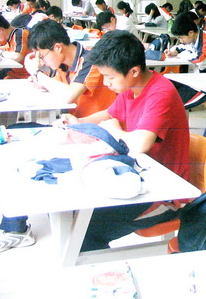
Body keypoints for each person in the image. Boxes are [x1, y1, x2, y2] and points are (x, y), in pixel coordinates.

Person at [0, 20, 114, 253]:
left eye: (42, 55)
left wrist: (38, 73)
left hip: (96, 134)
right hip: (75, 127)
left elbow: (69, 95)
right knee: (14, 134)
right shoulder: (64, 63)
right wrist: (41, 82)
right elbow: (62, 89)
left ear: (58, 47)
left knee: (18, 146)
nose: (42, 61)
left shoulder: (90, 62)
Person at [63, 30, 190, 251]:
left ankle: (103, 270)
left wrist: (116, 132)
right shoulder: (131, 88)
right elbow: (109, 114)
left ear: (134, 71)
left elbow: (140, 144)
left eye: (110, 77)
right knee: (74, 212)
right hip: (141, 176)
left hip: (167, 194)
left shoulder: (160, 92)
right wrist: (78, 122)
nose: (106, 82)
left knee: (85, 231)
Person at [167, 13, 206, 108]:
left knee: (174, 106)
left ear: (191, 33)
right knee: (164, 85)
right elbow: (182, 47)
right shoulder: (193, 38)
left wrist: (181, 54)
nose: (181, 40)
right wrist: (174, 51)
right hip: (194, 79)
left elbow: (199, 59)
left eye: (181, 37)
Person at [0, 12, 31, 79]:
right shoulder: (11, 36)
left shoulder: (19, 34)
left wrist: (0, 52)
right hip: (14, 73)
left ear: (0, 30)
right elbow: (6, 49)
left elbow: (18, 57)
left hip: (25, 76)